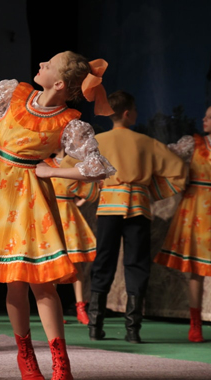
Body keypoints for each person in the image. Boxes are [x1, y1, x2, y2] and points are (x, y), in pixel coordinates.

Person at [0, 52, 117, 380]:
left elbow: (96, 167)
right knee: (15, 281)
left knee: (43, 284)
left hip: (33, 199)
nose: (40, 64)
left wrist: (52, 173)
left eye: (48, 65)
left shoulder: (69, 121)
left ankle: (60, 362)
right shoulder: (14, 93)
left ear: (58, 83)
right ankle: (25, 355)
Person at [84, 90, 187, 344]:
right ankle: (133, 330)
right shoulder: (146, 142)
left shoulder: (99, 141)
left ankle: (95, 326)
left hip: (109, 207)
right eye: (136, 110)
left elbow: (69, 168)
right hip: (138, 208)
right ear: (128, 113)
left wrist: (98, 189)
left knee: (104, 260)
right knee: (137, 263)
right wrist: (147, 191)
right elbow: (179, 172)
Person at [154, 105, 211, 343]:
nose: (204, 119)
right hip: (197, 208)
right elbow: (167, 155)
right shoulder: (194, 143)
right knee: (197, 271)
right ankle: (195, 323)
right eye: (205, 115)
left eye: (209, 117)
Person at [44, 148, 99, 325]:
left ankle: (80, 307)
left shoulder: (73, 165)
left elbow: (89, 188)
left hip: (69, 213)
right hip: (51, 214)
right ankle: (54, 310)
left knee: (76, 265)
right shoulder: (45, 163)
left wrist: (79, 201)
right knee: (53, 264)